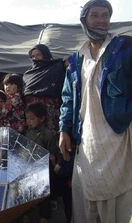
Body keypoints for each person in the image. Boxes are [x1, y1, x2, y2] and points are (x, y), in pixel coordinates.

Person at [59, 1, 132, 222]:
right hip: (86, 138)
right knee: (87, 194)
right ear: (84, 20)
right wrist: (64, 129)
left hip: (117, 136)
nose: (101, 20)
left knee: (117, 195)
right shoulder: (76, 58)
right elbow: (68, 97)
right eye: (95, 15)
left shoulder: (125, 49)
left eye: (105, 15)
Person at [24, 102, 60, 223]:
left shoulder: (48, 134)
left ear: (42, 118)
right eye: (27, 118)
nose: (29, 121)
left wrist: (54, 165)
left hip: (45, 170)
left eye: (32, 118)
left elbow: (52, 153)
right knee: (28, 192)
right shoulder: (27, 132)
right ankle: (26, 214)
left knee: (44, 194)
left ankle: (44, 217)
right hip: (29, 168)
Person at [23, 44, 66, 133]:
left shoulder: (56, 67)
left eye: (38, 55)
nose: (35, 58)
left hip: (49, 111)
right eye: (32, 56)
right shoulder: (28, 74)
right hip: (32, 113)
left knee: (50, 137)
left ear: (45, 55)